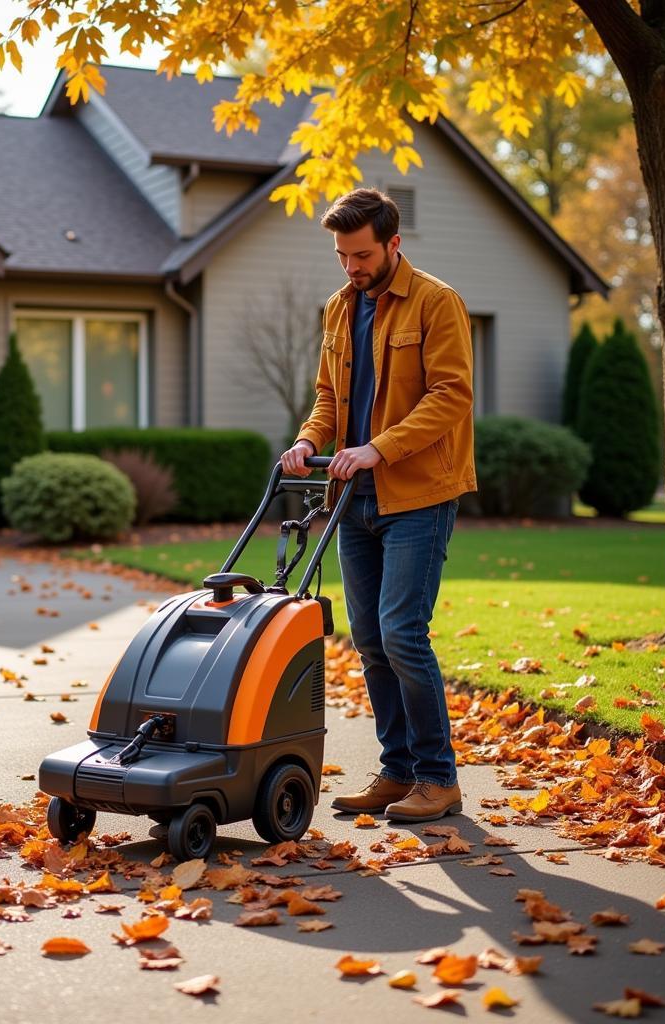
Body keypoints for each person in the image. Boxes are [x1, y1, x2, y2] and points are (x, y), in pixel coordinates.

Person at [280, 188, 476, 823]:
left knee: (402, 633)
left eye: (361, 254)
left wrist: (378, 449)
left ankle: (438, 778)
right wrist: (310, 438)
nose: (351, 267)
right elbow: (329, 396)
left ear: (394, 243)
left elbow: (451, 395)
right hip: (351, 499)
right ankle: (397, 772)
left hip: (417, 494)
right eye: (342, 256)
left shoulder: (437, 303)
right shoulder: (340, 309)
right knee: (368, 640)